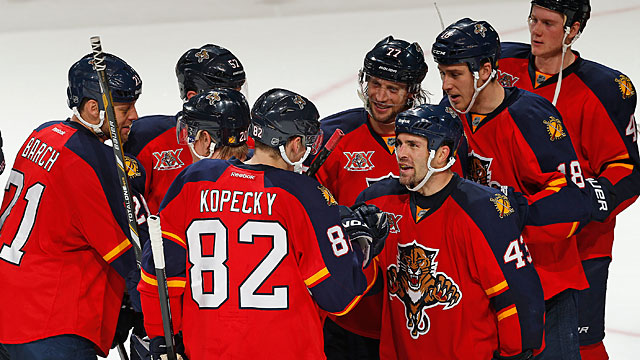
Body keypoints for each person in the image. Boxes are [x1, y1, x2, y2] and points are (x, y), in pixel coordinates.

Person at [138, 88, 388, 359]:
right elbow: (339, 298)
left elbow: (160, 270)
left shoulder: (195, 179)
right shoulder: (305, 195)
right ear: (294, 144)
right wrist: (362, 248)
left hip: (208, 350)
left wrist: (161, 336)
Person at [432, 18, 594, 359]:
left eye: (455, 74)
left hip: (544, 287)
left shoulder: (532, 117)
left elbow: (575, 200)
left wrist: (513, 212)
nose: (445, 85)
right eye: (442, 73)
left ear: (486, 69)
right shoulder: (447, 118)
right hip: (484, 292)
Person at [497, 1, 640, 358]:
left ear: (573, 30)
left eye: (548, 23)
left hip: (581, 246)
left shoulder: (603, 90)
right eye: (533, 20)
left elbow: (627, 169)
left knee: (583, 344)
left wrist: (584, 203)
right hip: (513, 235)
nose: (536, 31)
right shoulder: (502, 66)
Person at [356, 103, 545, 359]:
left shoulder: (483, 210)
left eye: (413, 145)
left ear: (442, 153)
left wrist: (516, 354)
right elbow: (359, 284)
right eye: (399, 143)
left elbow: (518, 295)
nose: (401, 153)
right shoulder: (378, 203)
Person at [0, 53, 142, 359]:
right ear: (94, 109)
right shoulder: (94, 160)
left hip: (8, 309)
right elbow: (123, 252)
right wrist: (145, 309)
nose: (134, 116)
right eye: (124, 108)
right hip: (52, 324)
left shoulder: (41, 133)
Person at [309, 35, 428, 359]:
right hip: (352, 312)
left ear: (411, 92)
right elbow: (307, 207)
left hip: (420, 308)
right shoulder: (335, 137)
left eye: (392, 89)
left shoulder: (435, 137)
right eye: (375, 83)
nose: (379, 96)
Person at [125, 43, 248, 214]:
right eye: (226, 95)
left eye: (238, 93)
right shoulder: (147, 138)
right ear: (193, 97)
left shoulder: (249, 137)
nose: (234, 103)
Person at [176, 89, 251, 164]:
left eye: (190, 135)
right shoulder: (259, 165)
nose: (188, 142)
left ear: (206, 139)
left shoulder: (199, 174)